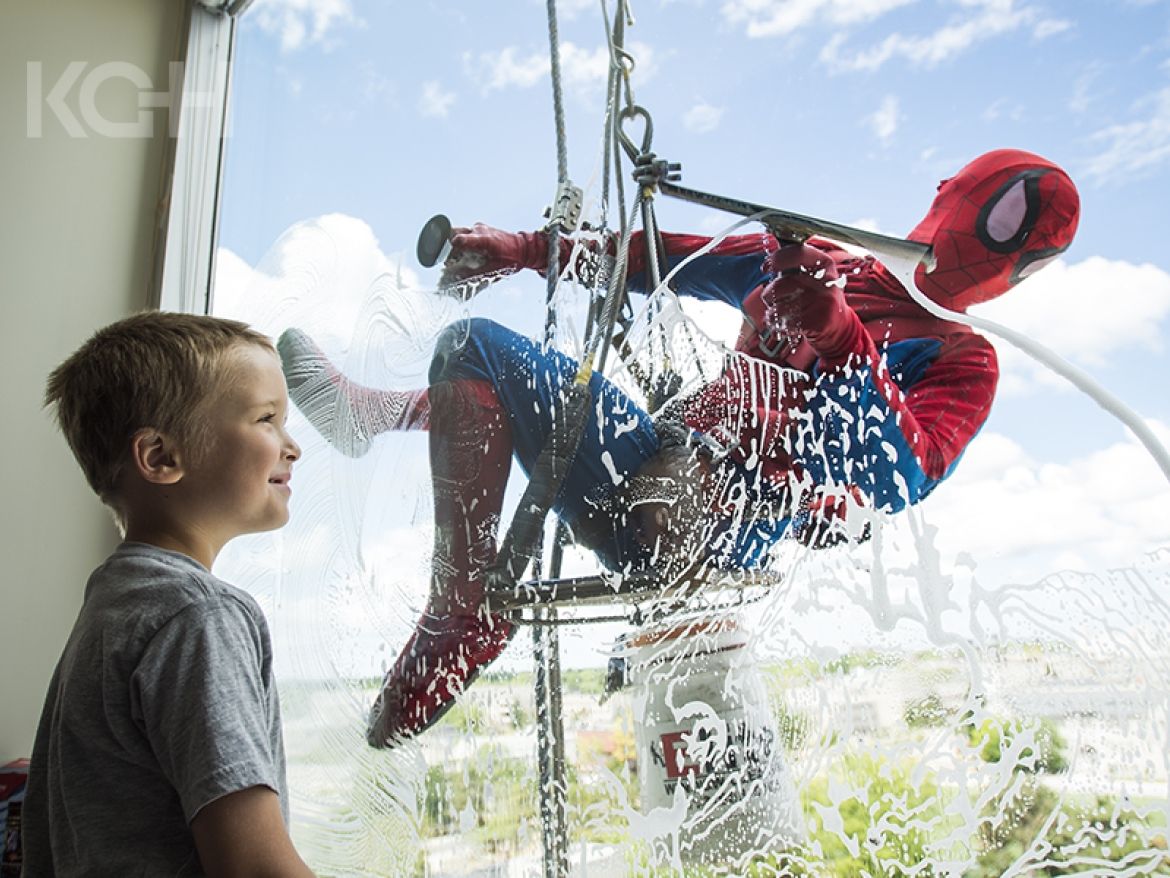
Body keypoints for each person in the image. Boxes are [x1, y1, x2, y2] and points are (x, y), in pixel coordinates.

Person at [277, 148, 1080, 747]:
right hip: (650, 458)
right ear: (950, 196)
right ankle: (461, 606)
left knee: (577, 416)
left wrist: (841, 342)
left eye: (1015, 244)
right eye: (1002, 225)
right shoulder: (811, 265)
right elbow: (654, 259)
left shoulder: (962, 359)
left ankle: (386, 430)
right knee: (472, 346)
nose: (997, 255)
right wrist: (524, 249)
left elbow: (903, 476)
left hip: (717, 528)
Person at [23, 312, 314, 877]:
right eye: (267, 419)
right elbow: (254, 869)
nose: (293, 446)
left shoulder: (114, 607)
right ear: (160, 458)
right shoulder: (197, 616)